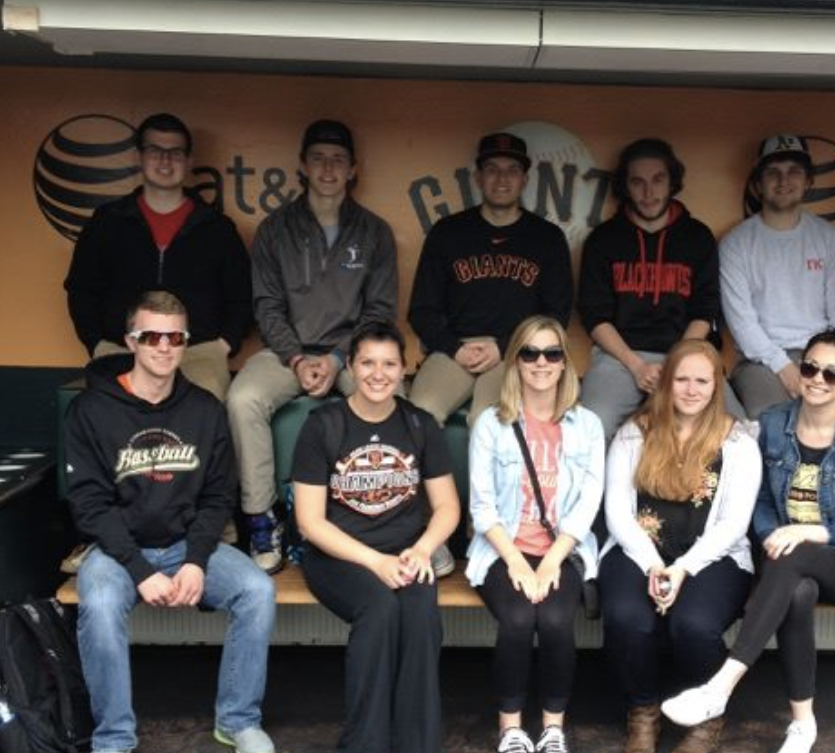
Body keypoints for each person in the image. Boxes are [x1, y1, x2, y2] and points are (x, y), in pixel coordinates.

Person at [63, 291, 276, 753]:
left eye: (175, 336)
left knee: (257, 591)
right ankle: (114, 738)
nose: (164, 346)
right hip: (120, 552)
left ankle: (238, 721)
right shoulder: (91, 410)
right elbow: (90, 505)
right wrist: (140, 570)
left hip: (187, 544)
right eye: (152, 336)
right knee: (97, 603)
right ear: (131, 342)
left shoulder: (204, 409)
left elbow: (219, 496)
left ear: (184, 343)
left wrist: (197, 560)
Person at [661, 328, 835, 753]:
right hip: (782, 559)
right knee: (798, 593)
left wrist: (806, 532)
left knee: (798, 558)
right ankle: (803, 723)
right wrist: (772, 537)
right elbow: (762, 502)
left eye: (832, 373)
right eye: (810, 367)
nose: (817, 379)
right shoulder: (771, 424)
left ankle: (721, 686)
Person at [227, 119, 398, 573]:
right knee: (242, 398)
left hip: (351, 353)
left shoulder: (374, 231)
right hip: (287, 352)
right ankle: (262, 519)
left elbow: (378, 312)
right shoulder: (275, 229)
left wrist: (338, 356)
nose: (328, 168)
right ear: (303, 166)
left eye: (338, 160)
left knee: (395, 398)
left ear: (353, 168)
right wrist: (298, 358)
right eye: (319, 158)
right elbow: (267, 306)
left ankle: (403, 521)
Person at [292, 320, 460, 753]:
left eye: (389, 364)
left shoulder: (420, 424)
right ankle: (364, 743)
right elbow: (310, 522)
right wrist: (374, 561)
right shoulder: (323, 425)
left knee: (421, 616)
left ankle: (417, 745)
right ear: (350, 365)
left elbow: (447, 507)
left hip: (405, 553)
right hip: (338, 556)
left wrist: (422, 550)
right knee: (380, 608)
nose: (378, 373)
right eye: (367, 362)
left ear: (405, 369)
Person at [599, 338, 760, 753]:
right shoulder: (636, 432)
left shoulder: (737, 442)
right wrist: (654, 565)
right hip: (640, 550)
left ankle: (707, 718)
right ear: (666, 382)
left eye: (701, 380)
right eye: (682, 379)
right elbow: (617, 510)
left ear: (715, 385)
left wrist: (683, 568)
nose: (691, 389)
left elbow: (733, 524)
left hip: (712, 557)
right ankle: (642, 711)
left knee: (694, 624)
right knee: (626, 616)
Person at [466, 316, 605, 753]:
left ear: (565, 362)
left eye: (552, 353)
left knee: (558, 619)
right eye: (530, 353)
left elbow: (588, 502)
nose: (541, 362)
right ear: (515, 362)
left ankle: (551, 729)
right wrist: (515, 563)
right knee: (519, 618)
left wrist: (549, 562)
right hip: (502, 548)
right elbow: (482, 506)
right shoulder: (492, 423)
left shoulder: (587, 425)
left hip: (562, 550)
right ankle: (510, 729)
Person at [64, 112, 252, 401]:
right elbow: (81, 289)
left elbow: (242, 295)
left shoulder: (217, 228)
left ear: (189, 161)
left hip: (196, 354)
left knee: (203, 423)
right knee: (111, 425)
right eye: (155, 151)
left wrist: (223, 346)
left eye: (175, 153)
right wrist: (97, 343)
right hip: (122, 350)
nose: (165, 161)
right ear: (139, 157)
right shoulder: (108, 222)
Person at [578, 137, 744, 443]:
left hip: (686, 351)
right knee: (593, 426)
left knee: (738, 431)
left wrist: (676, 364)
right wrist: (636, 365)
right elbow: (594, 316)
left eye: (658, 180)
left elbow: (704, 310)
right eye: (637, 182)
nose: (648, 192)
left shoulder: (696, 237)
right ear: (625, 187)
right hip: (620, 358)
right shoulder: (604, 239)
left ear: (672, 182)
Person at [408, 132, 574, 428]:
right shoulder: (448, 232)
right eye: (492, 170)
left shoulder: (547, 238)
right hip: (455, 348)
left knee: (488, 420)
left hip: (515, 351)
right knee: (421, 412)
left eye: (512, 170)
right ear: (478, 177)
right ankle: (436, 478)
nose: (502, 179)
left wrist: (504, 346)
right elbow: (422, 310)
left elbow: (556, 315)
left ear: (524, 179)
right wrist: (454, 348)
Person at [721, 134, 835, 422]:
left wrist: (826, 366)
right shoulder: (737, 243)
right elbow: (743, 324)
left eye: (794, 171)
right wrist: (784, 367)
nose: (784, 180)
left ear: (808, 181)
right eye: (773, 172)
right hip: (762, 362)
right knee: (773, 424)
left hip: (825, 352)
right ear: (758, 184)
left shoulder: (829, 239)